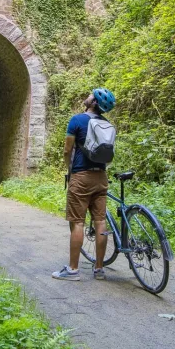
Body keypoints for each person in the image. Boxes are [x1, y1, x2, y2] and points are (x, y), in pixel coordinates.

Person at [52, 88, 116, 281]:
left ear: (93, 102)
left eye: (90, 95)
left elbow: (67, 149)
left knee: (78, 222)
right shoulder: (106, 124)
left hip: (81, 176)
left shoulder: (77, 120)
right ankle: (99, 269)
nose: (87, 96)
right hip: (101, 177)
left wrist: (70, 169)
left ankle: (72, 270)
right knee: (100, 222)